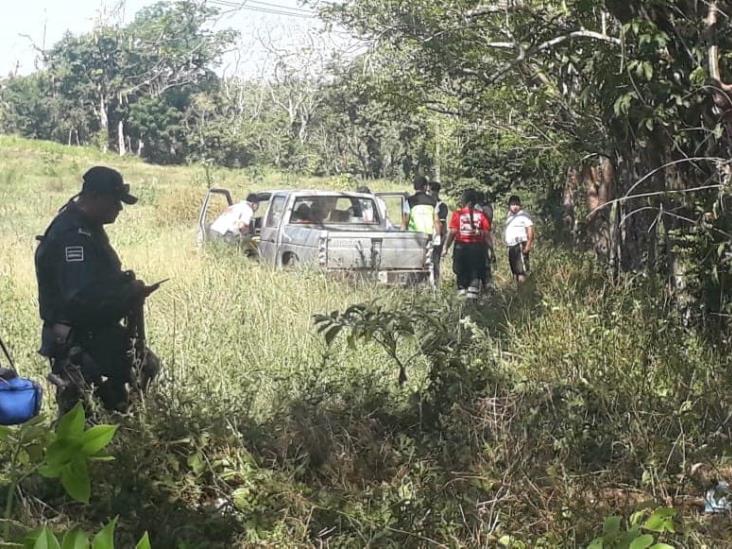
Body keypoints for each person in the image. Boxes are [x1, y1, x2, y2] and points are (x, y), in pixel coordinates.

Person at [35, 166, 161, 413]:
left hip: (95, 334)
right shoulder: (73, 235)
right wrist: (126, 295)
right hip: (78, 340)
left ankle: (125, 436)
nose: (119, 209)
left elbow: (96, 282)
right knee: (80, 416)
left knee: (145, 368)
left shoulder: (88, 228)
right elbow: (81, 298)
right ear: (94, 197)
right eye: (115, 202)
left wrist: (125, 286)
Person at [442, 189, 492, 299]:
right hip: (477, 248)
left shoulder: (457, 214)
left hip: (461, 247)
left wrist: (446, 247)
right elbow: (487, 234)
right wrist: (491, 249)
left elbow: (453, 233)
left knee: (461, 272)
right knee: (475, 273)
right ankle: (472, 299)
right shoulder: (481, 215)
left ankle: (461, 296)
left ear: (465, 200)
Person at [504, 195, 535, 284]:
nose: (515, 206)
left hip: (520, 244)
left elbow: (530, 229)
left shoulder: (524, 215)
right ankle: (517, 291)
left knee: (522, 270)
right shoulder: (509, 216)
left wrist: (528, 244)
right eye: (513, 204)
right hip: (511, 246)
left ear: (520, 205)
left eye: (517, 204)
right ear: (509, 205)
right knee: (515, 270)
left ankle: (525, 291)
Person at [428, 181, 449, 283]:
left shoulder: (442, 206)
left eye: (429, 191)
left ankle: (436, 283)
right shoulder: (427, 204)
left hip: (437, 238)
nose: (428, 193)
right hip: (427, 236)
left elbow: (442, 226)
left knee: (435, 262)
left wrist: (443, 242)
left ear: (435, 192)